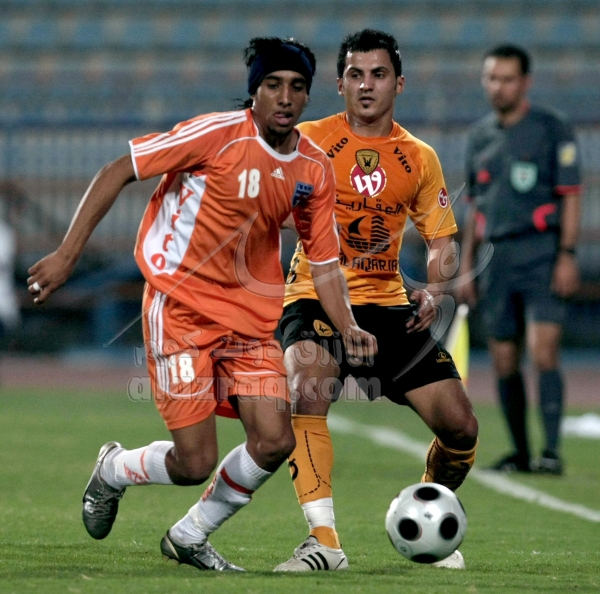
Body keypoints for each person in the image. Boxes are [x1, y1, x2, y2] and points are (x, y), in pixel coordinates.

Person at [27, 36, 376, 572]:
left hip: (251, 323)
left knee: (274, 439)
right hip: (181, 310)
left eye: (296, 86)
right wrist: (67, 255)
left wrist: (347, 324)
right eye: (273, 85)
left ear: (309, 95)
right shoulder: (216, 135)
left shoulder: (313, 169)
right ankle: (114, 468)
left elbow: (325, 261)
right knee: (194, 463)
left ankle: (189, 535)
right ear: (255, 91)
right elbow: (119, 169)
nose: (285, 97)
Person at [274, 29, 479, 572]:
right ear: (340, 84)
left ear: (399, 84)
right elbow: (264, 201)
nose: (367, 85)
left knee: (461, 429)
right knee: (308, 388)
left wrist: (435, 291)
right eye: (356, 74)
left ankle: (427, 513)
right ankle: (324, 542)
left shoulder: (419, 157)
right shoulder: (306, 141)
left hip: (389, 307)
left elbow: (442, 240)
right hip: (315, 296)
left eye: (379, 74)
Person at [459, 45, 581, 475]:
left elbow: (571, 196)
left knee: (543, 352)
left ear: (525, 82)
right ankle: (521, 453)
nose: (499, 87)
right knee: (503, 359)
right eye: (492, 78)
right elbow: (475, 207)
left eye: (507, 79)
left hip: (541, 253)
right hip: (495, 259)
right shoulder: (479, 136)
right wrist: (466, 265)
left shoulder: (551, 129)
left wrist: (567, 254)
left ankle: (551, 452)